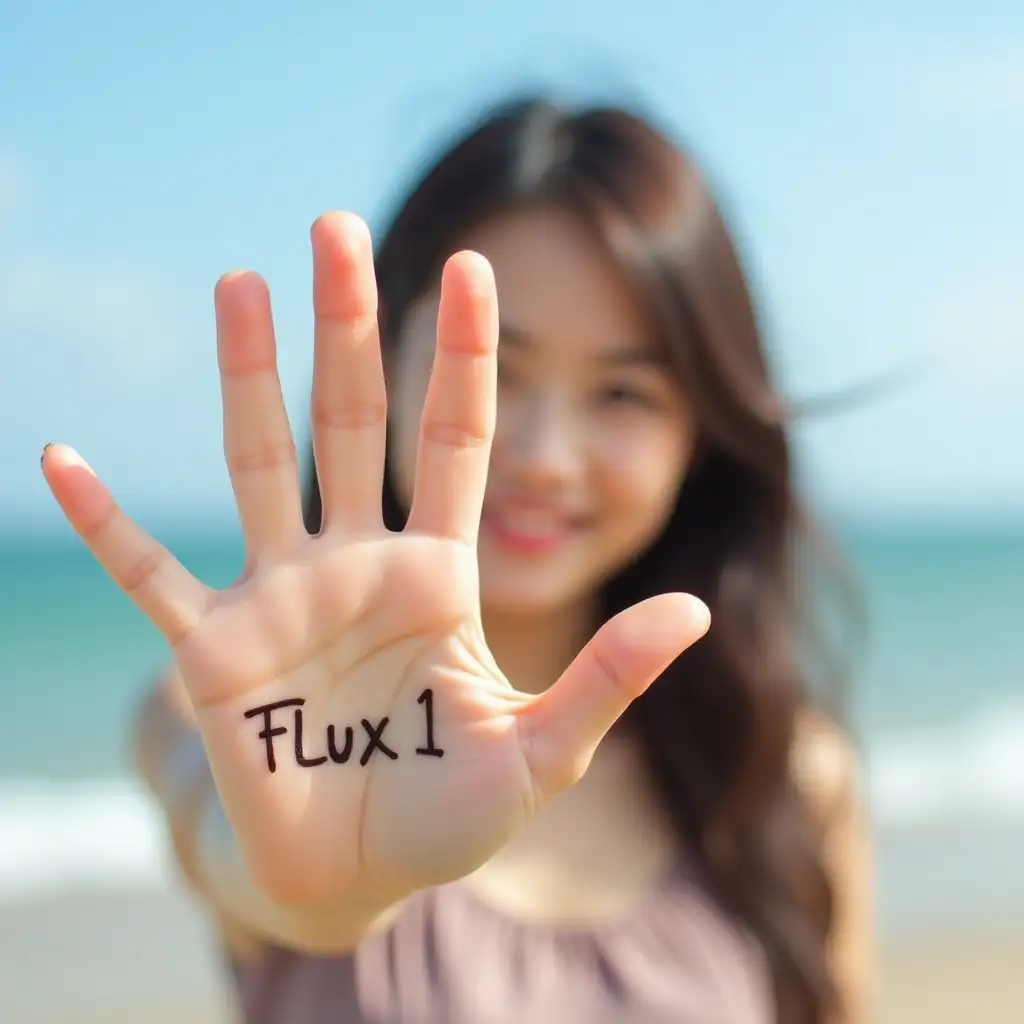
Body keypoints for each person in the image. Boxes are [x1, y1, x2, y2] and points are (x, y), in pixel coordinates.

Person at [41, 95, 874, 1023]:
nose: (546, 456)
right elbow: (256, 871)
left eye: (625, 393)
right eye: (491, 368)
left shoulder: (786, 775)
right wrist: (329, 885)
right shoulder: (221, 721)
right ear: (385, 353)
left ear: (702, 436)